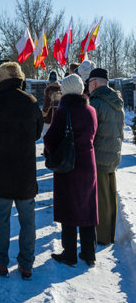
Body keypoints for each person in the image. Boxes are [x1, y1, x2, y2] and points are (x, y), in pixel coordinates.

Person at [0, 62, 43, 279]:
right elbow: (37, 132)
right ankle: (26, 264)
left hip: (1, 170)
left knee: (0, 218)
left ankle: (0, 261)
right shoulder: (30, 101)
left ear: (1, 79)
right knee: (27, 219)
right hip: (25, 170)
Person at [44, 74, 98, 267]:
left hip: (69, 165)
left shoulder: (63, 111)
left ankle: (70, 255)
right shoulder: (91, 110)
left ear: (64, 90)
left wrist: (51, 154)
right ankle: (89, 253)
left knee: (69, 208)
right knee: (87, 207)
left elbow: (49, 139)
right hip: (88, 164)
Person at [88, 68, 125, 245]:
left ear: (94, 82)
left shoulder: (96, 102)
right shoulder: (117, 101)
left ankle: (102, 237)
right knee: (110, 196)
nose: (88, 87)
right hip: (113, 154)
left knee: (101, 199)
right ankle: (109, 234)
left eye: (88, 83)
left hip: (99, 156)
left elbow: (90, 132)